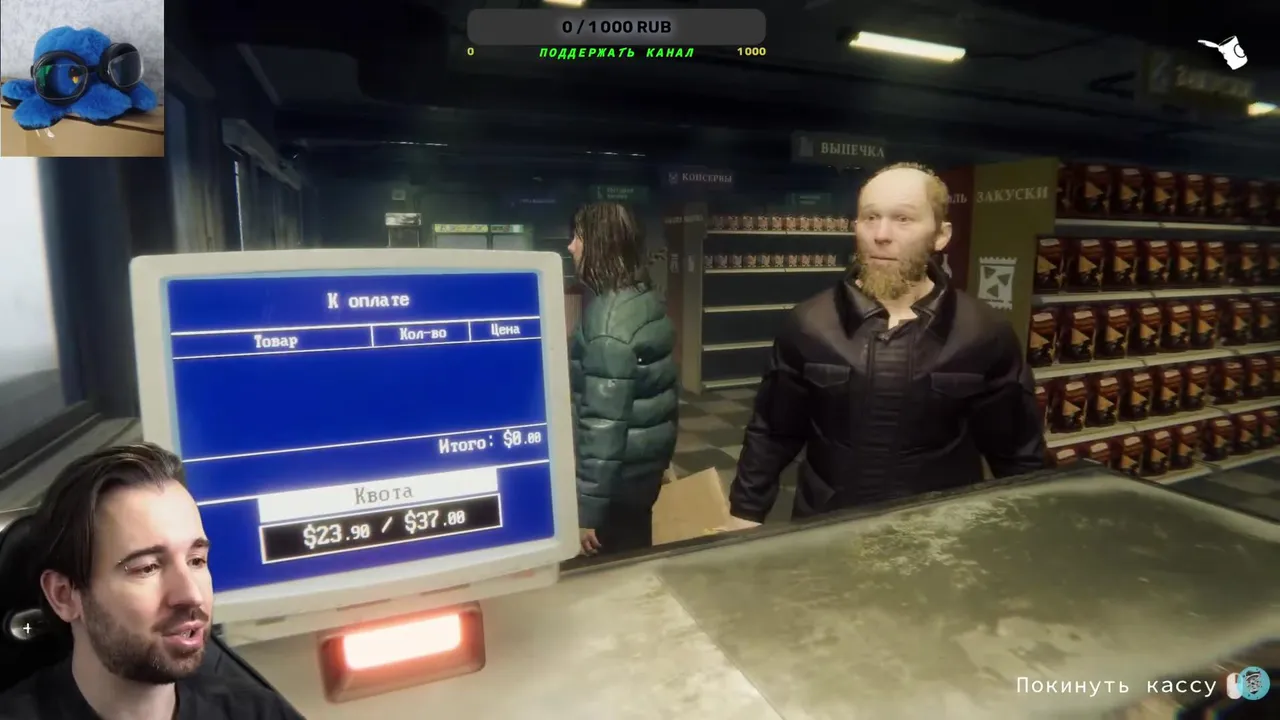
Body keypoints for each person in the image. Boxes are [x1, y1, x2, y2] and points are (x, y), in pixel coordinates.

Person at [726, 163, 1045, 529]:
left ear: (941, 235)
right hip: (826, 527)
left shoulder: (983, 331)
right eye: (870, 217)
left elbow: (1017, 449)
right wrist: (745, 512)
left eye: (903, 219)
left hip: (941, 533)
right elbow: (772, 431)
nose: (881, 234)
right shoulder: (809, 324)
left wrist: (1030, 521)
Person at [0, 443, 304, 719]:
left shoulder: (259, 713)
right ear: (63, 595)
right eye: (147, 567)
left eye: (196, 561)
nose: (191, 595)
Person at [567, 201, 678, 557]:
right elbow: (657, 388)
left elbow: (603, 424)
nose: (571, 246)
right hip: (642, 467)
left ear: (601, 244)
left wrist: (587, 512)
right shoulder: (642, 297)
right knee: (637, 554)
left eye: (579, 237)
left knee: (614, 572)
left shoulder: (608, 324)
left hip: (617, 482)